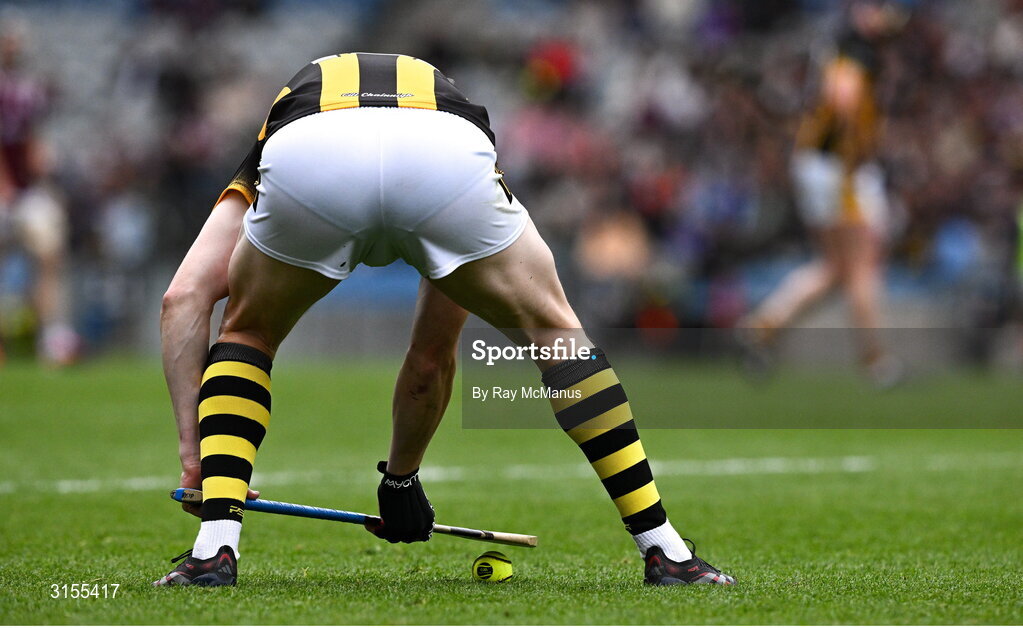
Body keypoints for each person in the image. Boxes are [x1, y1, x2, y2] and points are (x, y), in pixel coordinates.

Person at [155, 52, 734, 588]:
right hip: (445, 151)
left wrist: (195, 458)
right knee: (558, 337)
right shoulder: (449, 117)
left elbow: (182, 300)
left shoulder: (271, 139)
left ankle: (215, 548)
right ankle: (666, 551)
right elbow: (429, 362)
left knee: (247, 334)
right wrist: (400, 479)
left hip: (312, 145)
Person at [739, 0, 905, 387]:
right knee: (862, 265)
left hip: (817, 164)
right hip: (837, 167)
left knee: (836, 268)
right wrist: (856, 146)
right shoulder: (855, 50)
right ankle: (876, 361)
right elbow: (843, 97)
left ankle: (763, 326)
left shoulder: (841, 45)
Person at [0, 19, 79, 366]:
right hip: (6, 187)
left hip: (24, 188)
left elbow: (27, 135)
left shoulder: (25, 88)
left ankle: (52, 336)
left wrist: (40, 169)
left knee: (49, 254)